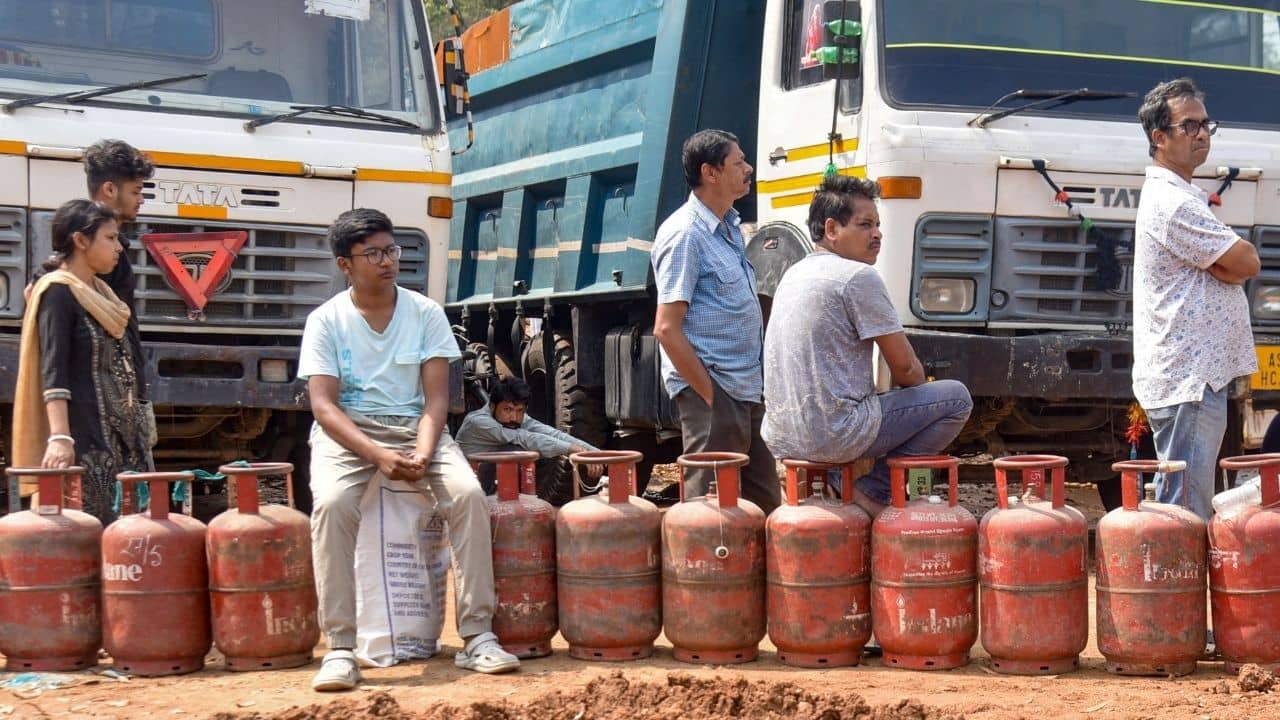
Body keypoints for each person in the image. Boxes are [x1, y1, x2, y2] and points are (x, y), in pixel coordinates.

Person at [300, 208, 520, 692]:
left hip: (419, 430)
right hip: (350, 435)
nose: (387, 261)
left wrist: (422, 453)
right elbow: (324, 407)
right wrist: (377, 456)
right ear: (345, 265)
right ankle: (340, 647)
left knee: (466, 496)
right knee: (334, 505)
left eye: (392, 250)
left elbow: (437, 397)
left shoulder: (424, 312)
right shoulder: (326, 321)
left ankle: (478, 635)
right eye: (373, 253)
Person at [760, 175, 972, 518]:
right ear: (832, 229)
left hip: (781, 435)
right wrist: (919, 397)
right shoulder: (857, 277)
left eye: (877, 225)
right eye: (865, 225)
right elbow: (905, 369)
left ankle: (834, 479)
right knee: (955, 399)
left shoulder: (792, 275)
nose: (877, 235)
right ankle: (874, 490)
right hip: (835, 434)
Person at [1133, 78, 1260, 521]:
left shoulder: (1182, 196)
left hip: (1196, 378)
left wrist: (1220, 263)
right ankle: (1176, 592)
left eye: (1206, 124)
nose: (1202, 134)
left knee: (1189, 508)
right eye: (1190, 126)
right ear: (1159, 137)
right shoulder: (1173, 203)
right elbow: (1247, 262)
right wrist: (1224, 263)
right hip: (1187, 379)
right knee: (1185, 517)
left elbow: (1236, 264)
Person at [651, 129, 780, 514]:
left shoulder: (728, 227)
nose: (749, 168)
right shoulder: (685, 234)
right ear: (710, 172)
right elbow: (666, 328)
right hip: (716, 388)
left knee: (765, 504)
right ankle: (697, 575)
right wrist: (710, 395)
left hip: (745, 387)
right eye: (738, 161)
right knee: (710, 512)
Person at [12, 199, 152, 525]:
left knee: (136, 536)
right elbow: (53, 368)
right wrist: (61, 438)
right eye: (110, 238)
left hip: (125, 440)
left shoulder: (103, 294)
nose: (118, 247)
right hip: (85, 438)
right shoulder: (58, 293)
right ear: (81, 240)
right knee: (90, 532)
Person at [455, 377, 603, 494]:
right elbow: (526, 438)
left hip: (490, 479)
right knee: (516, 450)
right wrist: (578, 451)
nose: (513, 417)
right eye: (507, 409)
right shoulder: (479, 422)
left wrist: (596, 453)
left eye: (519, 410)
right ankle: (497, 509)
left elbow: (553, 434)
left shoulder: (518, 418)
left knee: (546, 453)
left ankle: (527, 502)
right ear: (492, 406)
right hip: (467, 485)